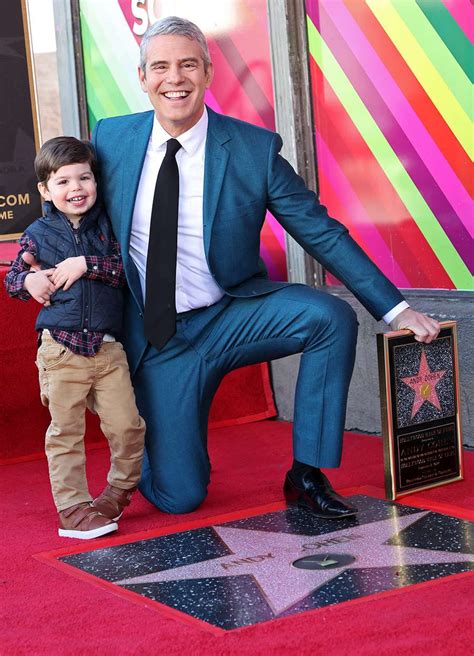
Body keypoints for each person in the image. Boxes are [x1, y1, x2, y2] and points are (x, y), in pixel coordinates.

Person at [91, 17, 439, 519]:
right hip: (158, 339)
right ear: (142, 77)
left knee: (329, 318)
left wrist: (396, 310)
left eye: (189, 64)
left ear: (208, 73)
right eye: (161, 67)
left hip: (229, 314)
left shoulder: (252, 149)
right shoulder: (111, 140)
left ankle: (307, 473)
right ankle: (156, 433)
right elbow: (71, 209)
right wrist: (36, 263)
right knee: (179, 497)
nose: (176, 78)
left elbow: (320, 230)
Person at [4, 137, 146, 539]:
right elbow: (14, 279)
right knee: (65, 433)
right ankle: (72, 510)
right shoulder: (38, 233)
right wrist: (29, 279)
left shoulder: (109, 226)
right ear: (45, 191)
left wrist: (86, 264)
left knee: (128, 427)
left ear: (96, 181)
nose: (76, 188)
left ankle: (115, 495)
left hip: (107, 348)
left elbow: (126, 271)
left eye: (84, 177)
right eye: (63, 182)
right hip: (61, 349)